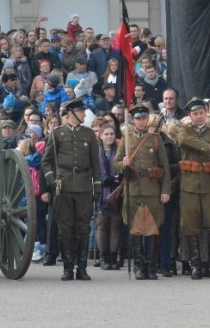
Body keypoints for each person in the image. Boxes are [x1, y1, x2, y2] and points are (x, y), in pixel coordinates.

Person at [41, 98, 101, 281]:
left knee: (83, 228)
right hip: (64, 185)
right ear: (72, 113)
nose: (84, 114)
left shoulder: (89, 134)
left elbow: (95, 162)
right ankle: (68, 267)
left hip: (83, 185)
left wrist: (97, 184)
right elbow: (46, 160)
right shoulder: (57, 134)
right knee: (65, 228)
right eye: (82, 111)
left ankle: (81, 267)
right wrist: (52, 179)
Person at [113, 105, 171, 280]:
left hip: (152, 189)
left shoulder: (155, 139)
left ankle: (150, 266)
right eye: (138, 118)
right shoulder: (127, 139)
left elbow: (165, 167)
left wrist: (165, 190)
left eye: (144, 118)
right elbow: (115, 164)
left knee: (152, 229)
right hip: (133, 189)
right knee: (135, 228)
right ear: (133, 120)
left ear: (147, 119)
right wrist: (123, 163)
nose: (141, 121)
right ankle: (139, 265)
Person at [177, 98, 210, 280]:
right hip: (189, 186)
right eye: (195, 114)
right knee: (191, 225)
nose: (199, 117)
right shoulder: (184, 130)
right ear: (190, 116)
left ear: (206, 113)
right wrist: (206, 146)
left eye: (201, 113)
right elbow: (183, 140)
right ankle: (196, 264)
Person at [96, 123, 122, 271]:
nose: (109, 136)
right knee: (102, 225)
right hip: (102, 191)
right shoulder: (96, 152)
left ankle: (113, 257)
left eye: (112, 134)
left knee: (115, 225)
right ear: (101, 136)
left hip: (117, 191)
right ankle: (104, 257)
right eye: (106, 134)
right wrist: (106, 179)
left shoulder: (119, 151)